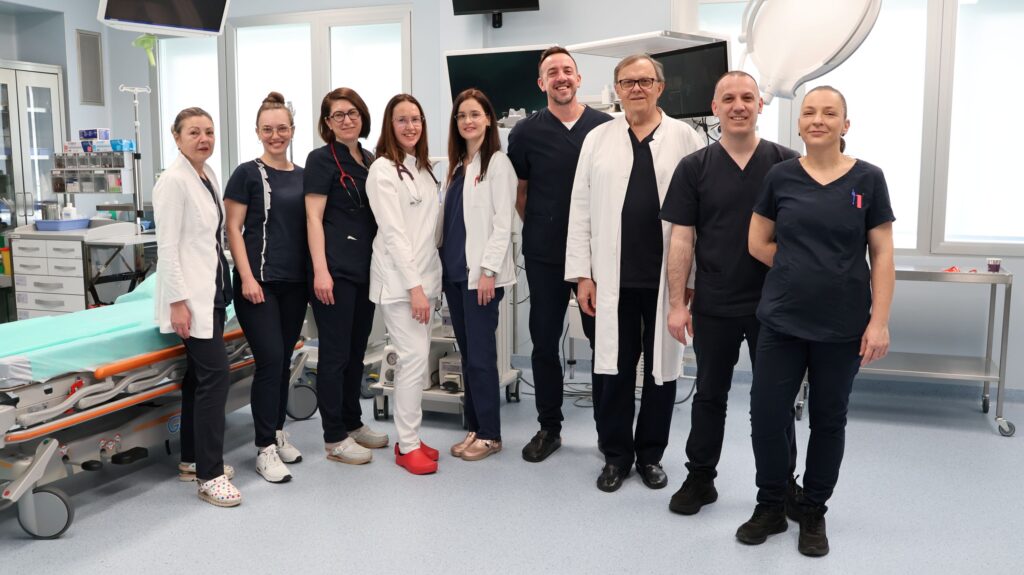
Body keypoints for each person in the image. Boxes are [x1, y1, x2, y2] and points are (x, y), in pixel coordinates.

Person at [737, 86, 895, 557]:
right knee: (767, 415)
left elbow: (882, 254)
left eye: (829, 113)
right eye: (809, 112)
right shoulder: (781, 176)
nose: (818, 119)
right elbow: (757, 242)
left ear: (846, 124)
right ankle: (771, 503)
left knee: (828, 420)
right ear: (799, 123)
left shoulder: (868, 179)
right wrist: (797, 267)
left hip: (842, 327)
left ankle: (812, 510)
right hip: (782, 321)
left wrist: (879, 322)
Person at [659, 72, 800, 515]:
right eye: (728, 98)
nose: (738, 106)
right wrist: (677, 304)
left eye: (747, 98)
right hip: (715, 302)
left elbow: (801, 238)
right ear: (715, 108)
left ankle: (783, 484)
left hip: (774, 306)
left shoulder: (788, 165)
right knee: (709, 395)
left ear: (760, 105)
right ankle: (700, 478)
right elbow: (682, 240)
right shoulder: (694, 168)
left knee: (774, 402)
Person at [565, 54, 704, 493]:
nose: (637, 88)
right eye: (628, 82)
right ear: (618, 89)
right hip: (611, 280)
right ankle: (616, 456)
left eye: (645, 81)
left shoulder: (686, 137)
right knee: (613, 369)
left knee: (663, 369)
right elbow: (580, 209)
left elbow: (702, 214)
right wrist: (582, 276)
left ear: (660, 87)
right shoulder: (598, 138)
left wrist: (691, 282)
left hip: (666, 280)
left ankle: (650, 455)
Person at [507, 46, 612, 463]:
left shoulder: (605, 127)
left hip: (596, 258)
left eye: (567, 70)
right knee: (544, 341)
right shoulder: (525, 132)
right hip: (546, 254)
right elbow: (521, 192)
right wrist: (544, 226)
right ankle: (549, 427)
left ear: (579, 78)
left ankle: (609, 433)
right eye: (552, 72)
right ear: (541, 83)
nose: (561, 77)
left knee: (602, 341)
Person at [154, 107, 240, 507]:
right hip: (189, 298)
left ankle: (191, 459)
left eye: (209, 131)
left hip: (212, 292)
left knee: (197, 379)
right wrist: (177, 303)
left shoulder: (206, 175)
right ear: (176, 137)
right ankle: (210, 475)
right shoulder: (173, 181)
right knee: (215, 377)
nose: (203, 139)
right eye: (194, 132)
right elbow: (167, 248)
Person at [224, 92, 307, 484]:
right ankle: (263, 449)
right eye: (268, 129)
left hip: (295, 284)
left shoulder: (304, 175)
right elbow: (233, 229)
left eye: (282, 128)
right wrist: (246, 278)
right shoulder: (246, 173)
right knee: (270, 360)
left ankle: (276, 431)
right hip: (258, 284)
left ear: (292, 130)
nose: (276, 135)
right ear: (257, 132)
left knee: (284, 360)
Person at [304, 88, 389, 465]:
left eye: (352, 113)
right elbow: (313, 218)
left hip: (365, 269)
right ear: (327, 123)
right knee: (335, 355)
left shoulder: (370, 160)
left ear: (363, 116)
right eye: (337, 115)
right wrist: (321, 271)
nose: (346, 120)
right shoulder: (321, 160)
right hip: (334, 270)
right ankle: (334, 437)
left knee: (357, 351)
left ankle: (353, 422)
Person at [365, 94, 442, 475]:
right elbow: (394, 234)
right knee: (411, 361)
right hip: (400, 285)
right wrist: (414, 288)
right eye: (402, 120)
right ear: (389, 125)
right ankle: (407, 444)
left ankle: (411, 437)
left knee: (418, 361)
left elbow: (429, 232)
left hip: (425, 280)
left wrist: (427, 286)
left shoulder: (423, 169)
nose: (410, 126)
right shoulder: (382, 170)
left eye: (416, 119)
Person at [442, 89, 517, 462]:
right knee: (469, 356)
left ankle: (490, 434)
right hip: (455, 275)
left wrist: (488, 270)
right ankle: (474, 427)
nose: (468, 121)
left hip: (480, 279)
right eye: (461, 116)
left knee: (481, 358)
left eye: (475, 114)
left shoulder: (497, 164)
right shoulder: (457, 167)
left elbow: (504, 224)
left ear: (488, 119)